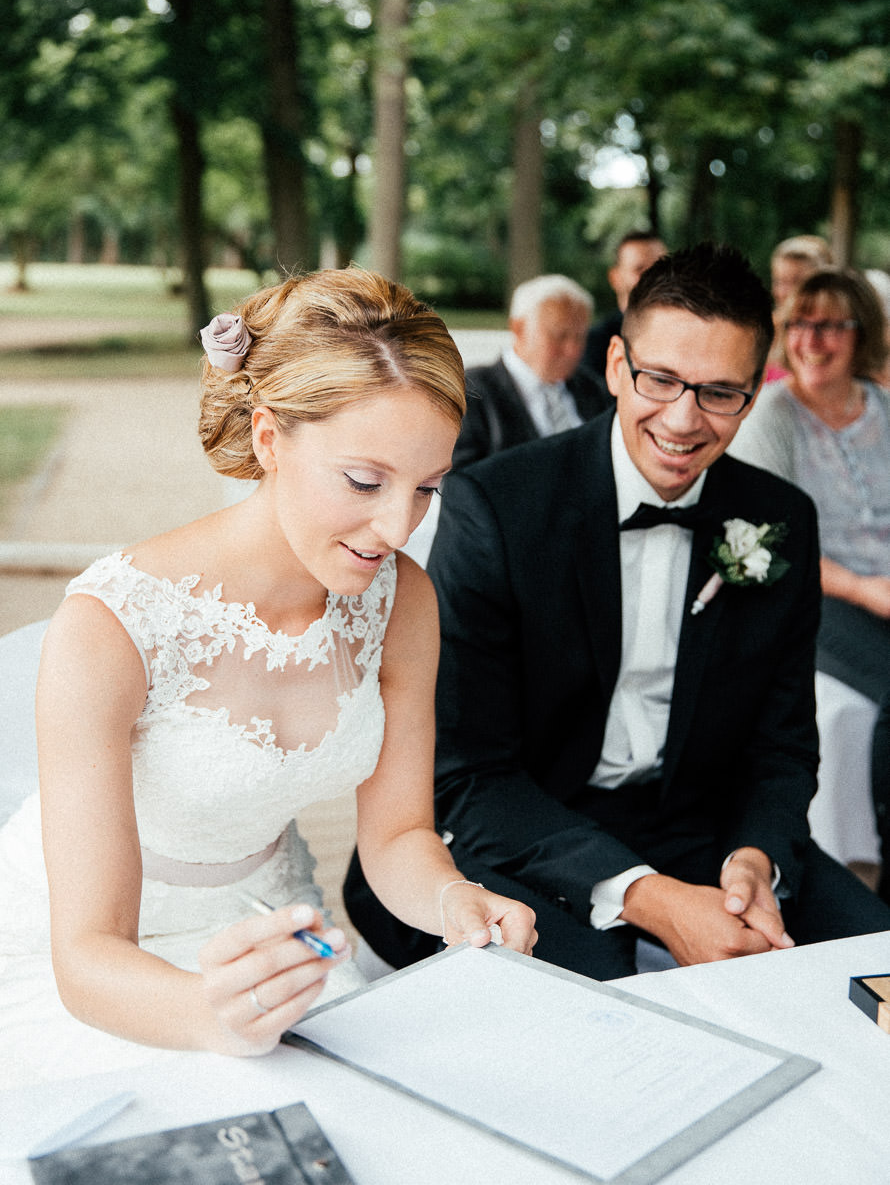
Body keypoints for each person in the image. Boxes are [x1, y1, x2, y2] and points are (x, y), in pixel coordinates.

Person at [0, 268, 535, 1088]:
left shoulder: (403, 604)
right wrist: (204, 1012)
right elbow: (87, 956)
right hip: (99, 964)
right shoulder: (109, 629)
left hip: (272, 929)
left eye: (426, 488)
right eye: (364, 480)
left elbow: (396, 838)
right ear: (267, 438)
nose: (397, 527)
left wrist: (453, 900)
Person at [345, 243, 890, 980]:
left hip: (701, 826)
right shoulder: (499, 509)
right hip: (526, 826)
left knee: (871, 954)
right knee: (602, 1001)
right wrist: (653, 899)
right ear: (613, 366)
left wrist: (754, 857)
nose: (683, 419)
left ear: (752, 396)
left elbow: (782, 746)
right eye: (660, 379)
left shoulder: (779, 520)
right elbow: (468, 773)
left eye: (720, 391)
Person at [730, 267, 890, 872]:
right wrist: (868, 590)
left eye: (831, 326)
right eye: (800, 324)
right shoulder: (773, 415)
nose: (812, 341)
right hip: (818, 597)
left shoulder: (884, 409)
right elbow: (772, 543)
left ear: (861, 335)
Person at [452, 274, 610, 471]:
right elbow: (460, 485)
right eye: (559, 336)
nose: (573, 350)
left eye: (580, 337)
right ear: (518, 328)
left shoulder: (593, 388)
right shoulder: (471, 392)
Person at [581, 230, 666, 377]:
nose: (653, 276)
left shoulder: (685, 334)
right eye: (640, 269)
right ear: (615, 278)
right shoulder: (595, 344)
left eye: (660, 267)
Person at [766, 235, 835, 381]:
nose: (787, 292)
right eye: (780, 281)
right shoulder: (762, 331)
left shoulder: (838, 333)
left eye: (798, 282)